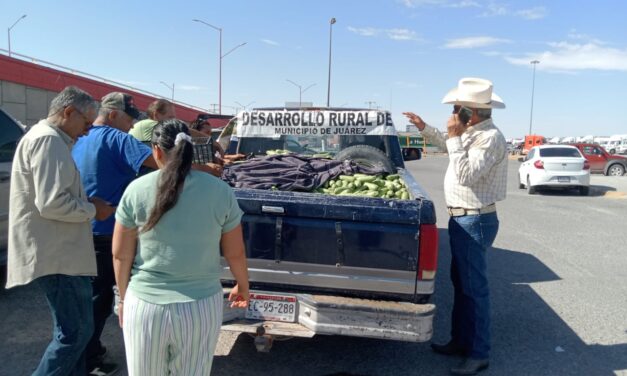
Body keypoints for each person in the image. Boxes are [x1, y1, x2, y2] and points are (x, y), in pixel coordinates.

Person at [112, 119, 249, 375]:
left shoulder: (135, 190)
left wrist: (122, 299)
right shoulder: (220, 191)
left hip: (144, 306)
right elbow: (235, 252)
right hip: (200, 308)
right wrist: (243, 285)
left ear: (156, 151)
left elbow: (121, 255)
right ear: (191, 150)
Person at [5, 86, 115, 375]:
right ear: (69, 112)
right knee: (74, 334)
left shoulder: (53, 140)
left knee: (75, 332)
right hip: (57, 256)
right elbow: (52, 203)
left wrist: (85, 202)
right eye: (87, 123)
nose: (88, 131)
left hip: (61, 253)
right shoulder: (48, 141)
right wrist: (94, 210)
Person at [404, 77, 507, 375]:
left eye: (455, 108)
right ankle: (460, 342)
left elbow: (466, 174)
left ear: (469, 112)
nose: (451, 112)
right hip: (463, 217)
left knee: (475, 290)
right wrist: (426, 128)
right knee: (462, 286)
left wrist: (452, 136)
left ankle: (478, 353)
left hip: (475, 218)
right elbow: (450, 146)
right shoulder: (472, 132)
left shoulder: (490, 138)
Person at [72, 92, 158, 375]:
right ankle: (88, 362)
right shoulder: (117, 138)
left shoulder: (77, 137)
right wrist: (205, 169)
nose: (131, 126)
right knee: (100, 300)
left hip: (77, 228)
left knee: (85, 297)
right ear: (112, 115)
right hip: (107, 231)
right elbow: (160, 162)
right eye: (129, 119)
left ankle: (89, 351)